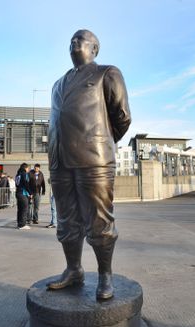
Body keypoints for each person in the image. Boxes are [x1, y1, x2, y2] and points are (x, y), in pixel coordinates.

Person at [46, 29, 131, 300]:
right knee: (66, 220)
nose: (73, 44)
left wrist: (100, 141)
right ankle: (74, 269)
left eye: (79, 40)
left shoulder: (107, 73)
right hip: (59, 160)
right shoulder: (58, 83)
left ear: (94, 48)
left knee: (99, 220)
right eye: (70, 41)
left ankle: (105, 275)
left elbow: (122, 117)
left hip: (94, 159)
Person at [15, 163, 34, 230]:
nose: (28, 169)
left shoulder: (18, 174)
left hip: (18, 192)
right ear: (25, 168)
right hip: (23, 193)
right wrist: (30, 193)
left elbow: (17, 184)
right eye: (28, 168)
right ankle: (22, 224)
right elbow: (26, 184)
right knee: (24, 209)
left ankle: (19, 223)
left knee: (20, 209)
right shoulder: (24, 174)